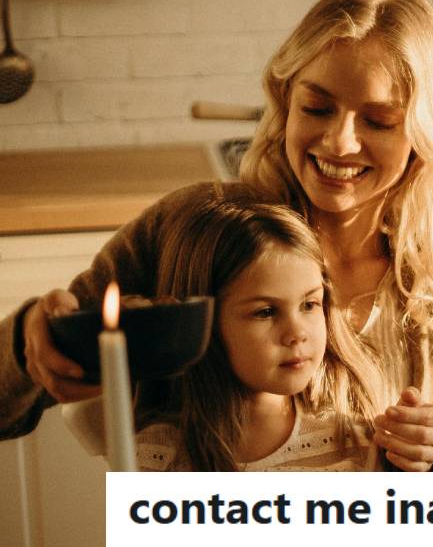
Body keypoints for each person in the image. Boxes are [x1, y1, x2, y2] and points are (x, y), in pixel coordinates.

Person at [0, 0, 433, 471]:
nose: (339, 143)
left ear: (424, 132)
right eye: (317, 107)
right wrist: (30, 342)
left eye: (377, 121)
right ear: (286, 101)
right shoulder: (199, 232)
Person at [129, 197, 383, 470]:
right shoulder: (155, 456)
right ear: (204, 323)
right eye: (266, 312)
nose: (297, 333)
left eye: (309, 305)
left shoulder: (358, 442)